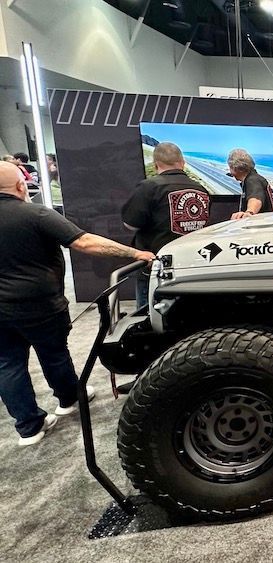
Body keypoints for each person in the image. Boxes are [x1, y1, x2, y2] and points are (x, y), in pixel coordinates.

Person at [0, 161, 155, 446]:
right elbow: (85, 243)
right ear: (21, 186)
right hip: (39, 304)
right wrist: (136, 253)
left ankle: (29, 428)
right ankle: (68, 399)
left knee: (7, 364)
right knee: (54, 353)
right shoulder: (35, 213)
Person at [121, 142, 212, 309]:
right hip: (193, 262)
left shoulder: (149, 187)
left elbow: (130, 224)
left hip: (156, 264)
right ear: (182, 162)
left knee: (149, 315)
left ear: (156, 164)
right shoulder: (201, 189)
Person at [228, 148, 273, 220]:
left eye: (230, 167)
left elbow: (256, 197)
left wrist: (249, 212)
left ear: (236, 168)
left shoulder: (252, 180)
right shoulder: (255, 178)